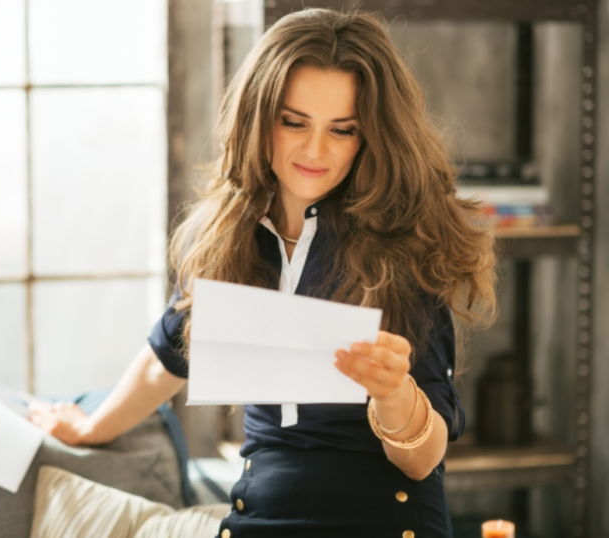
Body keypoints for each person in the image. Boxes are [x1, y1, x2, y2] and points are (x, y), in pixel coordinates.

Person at [30, 8, 497, 537]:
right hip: (257, 518)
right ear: (258, 116)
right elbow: (170, 352)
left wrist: (395, 394)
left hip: (385, 521)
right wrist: (91, 427)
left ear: (371, 136)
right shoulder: (229, 235)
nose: (314, 151)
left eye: (342, 130)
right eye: (294, 122)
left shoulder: (407, 244)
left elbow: (423, 459)